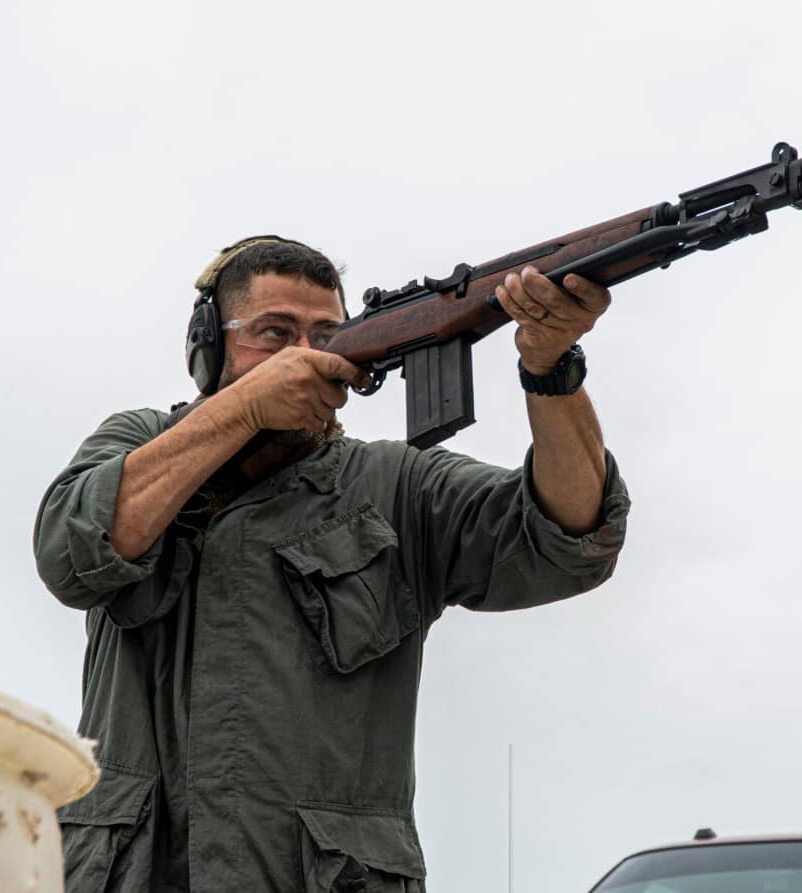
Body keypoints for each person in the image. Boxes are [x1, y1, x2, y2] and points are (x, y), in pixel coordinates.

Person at [33, 236, 631, 892]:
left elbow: (569, 535)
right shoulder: (139, 443)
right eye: (273, 332)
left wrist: (550, 371)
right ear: (208, 347)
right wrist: (246, 407)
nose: (305, 353)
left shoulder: (392, 486)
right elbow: (72, 549)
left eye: (326, 332)